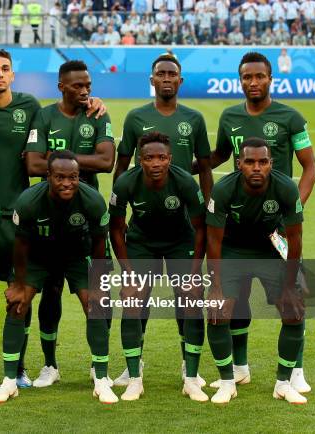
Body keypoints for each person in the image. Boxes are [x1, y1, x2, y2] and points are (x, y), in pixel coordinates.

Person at [0, 49, 106, 388]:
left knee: (17, 290)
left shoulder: (30, 108)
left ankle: (18, 368)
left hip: (16, 216)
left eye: (4, 69)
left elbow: (48, 144)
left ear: (12, 75)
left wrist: (92, 102)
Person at [197, 52, 315, 393]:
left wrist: (293, 205)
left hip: (275, 227)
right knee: (239, 297)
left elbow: (310, 166)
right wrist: (183, 163)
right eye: (247, 77)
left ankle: (295, 371)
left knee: (294, 296)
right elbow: (220, 155)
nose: (253, 82)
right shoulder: (230, 115)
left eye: (259, 77)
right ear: (240, 80)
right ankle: (240, 367)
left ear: (270, 79)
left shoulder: (290, 117)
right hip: (236, 228)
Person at [112, 53, 212, 387]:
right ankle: (133, 364)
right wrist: (120, 205)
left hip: (184, 224)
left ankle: (189, 366)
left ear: (179, 80)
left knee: (188, 299)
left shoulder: (194, 119)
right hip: (143, 224)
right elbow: (123, 163)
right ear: (152, 79)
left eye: (172, 73)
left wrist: (209, 207)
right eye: (161, 73)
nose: (167, 78)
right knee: (136, 296)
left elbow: (206, 166)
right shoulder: (136, 116)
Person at [0, 151, 118, 404]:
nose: (67, 183)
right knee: (17, 305)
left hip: (78, 254)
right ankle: (9, 381)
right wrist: (18, 284)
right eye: (59, 177)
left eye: (73, 177)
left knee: (96, 305)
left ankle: (101, 379)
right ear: (48, 176)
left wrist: (98, 282)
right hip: (39, 254)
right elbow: (21, 245)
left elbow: (100, 243)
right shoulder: (28, 202)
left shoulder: (92, 201)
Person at [24, 60, 115, 388]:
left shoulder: (98, 114)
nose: (85, 90)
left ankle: (98, 364)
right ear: (61, 86)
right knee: (51, 291)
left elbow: (107, 161)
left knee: (97, 293)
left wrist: (61, 159)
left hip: (88, 220)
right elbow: (33, 163)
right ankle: (50, 365)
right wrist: (67, 161)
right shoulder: (45, 116)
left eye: (88, 84)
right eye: (77, 85)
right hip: (49, 219)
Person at [205, 137, 306, 404]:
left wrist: (289, 287)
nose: (257, 167)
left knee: (294, 310)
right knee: (217, 311)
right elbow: (213, 241)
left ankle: (283, 383)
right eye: (250, 162)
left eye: (263, 162)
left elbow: (295, 240)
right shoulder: (224, 189)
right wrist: (215, 287)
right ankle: (228, 382)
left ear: (271, 164)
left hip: (270, 249)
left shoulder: (286, 188)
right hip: (232, 251)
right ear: (239, 164)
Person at [110, 131, 207, 402]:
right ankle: (134, 376)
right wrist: (128, 273)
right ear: (139, 160)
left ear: (170, 159)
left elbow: (201, 229)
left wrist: (194, 272)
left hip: (181, 242)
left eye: (161, 157)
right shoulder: (125, 183)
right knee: (132, 299)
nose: (156, 163)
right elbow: (116, 229)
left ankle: (191, 376)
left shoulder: (185, 182)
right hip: (142, 244)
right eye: (149, 158)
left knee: (190, 298)